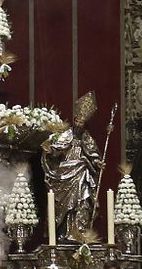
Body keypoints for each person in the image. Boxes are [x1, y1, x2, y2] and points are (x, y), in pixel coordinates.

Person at [41, 93, 104, 240]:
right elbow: (54, 152)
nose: (79, 124)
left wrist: (97, 162)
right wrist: (50, 151)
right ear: (74, 121)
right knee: (64, 206)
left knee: (82, 203)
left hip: (81, 174)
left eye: (82, 122)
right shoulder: (65, 135)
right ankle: (63, 233)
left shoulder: (87, 139)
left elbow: (93, 154)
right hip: (64, 176)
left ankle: (79, 233)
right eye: (77, 121)